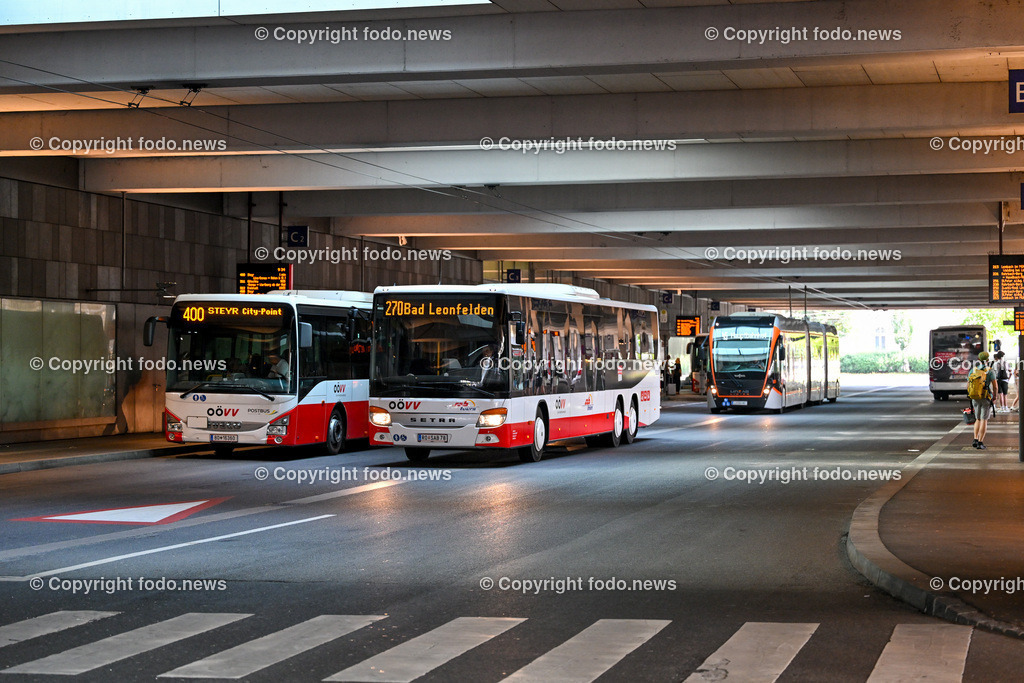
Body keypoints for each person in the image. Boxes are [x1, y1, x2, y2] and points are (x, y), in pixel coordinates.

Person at [968, 351, 998, 450]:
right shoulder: (990, 371)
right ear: (988, 360)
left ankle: (975, 439)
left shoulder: (973, 370)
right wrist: (995, 397)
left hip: (975, 397)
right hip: (986, 397)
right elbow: (995, 386)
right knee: (984, 420)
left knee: (978, 419)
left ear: (979, 359)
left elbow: (968, 385)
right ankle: (980, 442)